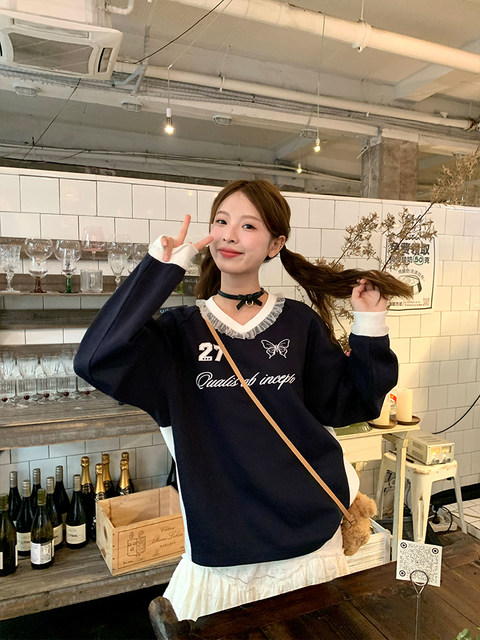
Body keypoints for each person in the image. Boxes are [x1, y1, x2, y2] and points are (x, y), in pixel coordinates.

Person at [74, 179, 411, 621]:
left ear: (276, 244)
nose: (229, 235)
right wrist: (160, 269)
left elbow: (355, 404)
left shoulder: (298, 323)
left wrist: (370, 323)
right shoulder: (179, 332)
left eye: (248, 226)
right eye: (221, 221)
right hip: (223, 548)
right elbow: (94, 359)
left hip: (308, 543)